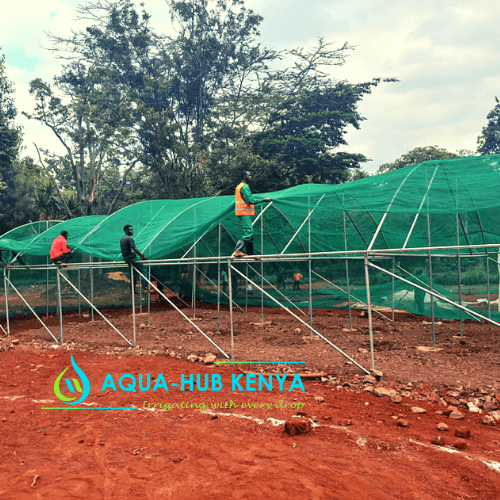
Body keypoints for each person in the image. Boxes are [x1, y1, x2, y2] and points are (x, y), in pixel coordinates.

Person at [233, 170, 270, 257]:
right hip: (243, 212)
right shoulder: (244, 187)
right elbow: (249, 200)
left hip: (242, 212)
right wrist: (263, 200)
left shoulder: (239, 186)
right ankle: (238, 250)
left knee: (250, 233)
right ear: (244, 177)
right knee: (249, 232)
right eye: (249, 175)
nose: (250, 177)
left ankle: (250, 254)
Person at [120, 225, 149, 293]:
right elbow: (135, 248)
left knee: (133, 273)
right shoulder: (130, 238)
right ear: (126, 231)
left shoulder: (122, 238)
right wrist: (141, 255)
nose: (132, 231)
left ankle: (132, 289)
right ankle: (145, 287)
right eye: (131, 229)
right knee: (143, 270)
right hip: (132, 258)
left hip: (126, 258)